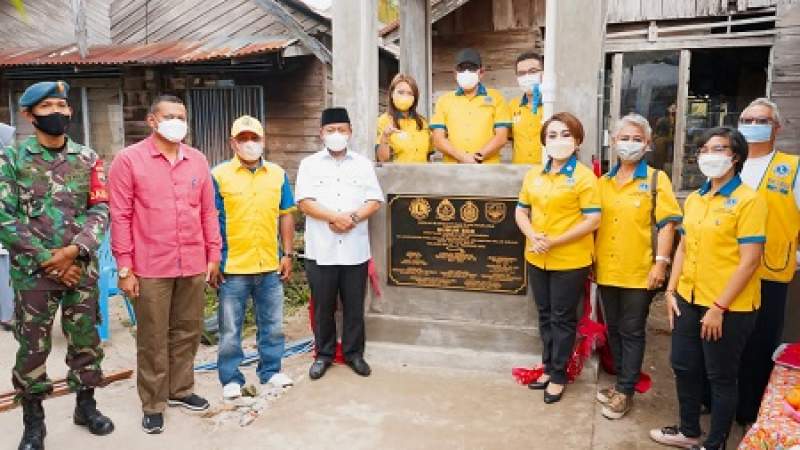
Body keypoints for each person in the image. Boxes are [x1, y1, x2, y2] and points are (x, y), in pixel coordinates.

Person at [0, 81, 114, 449]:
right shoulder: (13, 160)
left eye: (61, 105)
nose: (57, 111)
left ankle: (86, 407)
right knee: (31, 350)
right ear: (28, 115)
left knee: (85, 342)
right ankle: (34, 423)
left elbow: (100, 208)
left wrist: (75, 251)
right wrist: (49, 260)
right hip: (33, 274)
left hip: (80, 270)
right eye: (47, 105)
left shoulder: (87, 157)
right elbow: (4, 217)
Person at [109, 95, 222, 434]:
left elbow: (207, 211)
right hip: (150, 265)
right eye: (169, 115)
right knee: (153, 336)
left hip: (192, 261)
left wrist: (213, 254)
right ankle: (153, 401)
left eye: (181, 116)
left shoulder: (198, 160)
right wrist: (125, 268)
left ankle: (180, 389)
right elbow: (121, 215)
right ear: (152, 121)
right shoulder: (129, 161)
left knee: (188, 330)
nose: (176, 121)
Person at [650, 127, 766, 450]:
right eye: (704, 149)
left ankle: (714, 443)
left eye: (718, 149)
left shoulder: (749, 201)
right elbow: (684, 246)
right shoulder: (698, 198)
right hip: (688, 297)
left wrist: (719, 308)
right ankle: (689, 431)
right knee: (683, 364)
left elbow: (750, 261)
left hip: (729, 307)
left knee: (721, 376)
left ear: (735, 157)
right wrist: (671, 291)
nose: (709, 155)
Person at [594, 113, 682, 419]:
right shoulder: (602, 182)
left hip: (640, 271)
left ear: (646, 145)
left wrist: (661, 264)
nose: (629, 144)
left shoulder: (657, 180)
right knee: (614, 330)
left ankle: (626, 391)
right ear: (613, 142)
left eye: (637, 139)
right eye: (624, 138)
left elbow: (668, 225)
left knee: (632, 331)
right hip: (607, 270)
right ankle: (621, 384)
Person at [515, 112, 601, 404]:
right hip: (537, 256)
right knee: (544, 314)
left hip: (570, 260)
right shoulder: (534, 176)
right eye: (552, 135)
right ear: (544, 142)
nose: (559, 141)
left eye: (566, 135)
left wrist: (554, 241)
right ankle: (548, 366)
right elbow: (520, 210)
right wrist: (532, 235)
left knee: (563, 318)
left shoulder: (584, 178)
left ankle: (559, 375)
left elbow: (592, 220)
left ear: (577, 141)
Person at [211, 115, 296, 399]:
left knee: (272, 325)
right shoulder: (218, 175)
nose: (249, 143)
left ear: (263, 141)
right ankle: (231, 378)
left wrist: (287, 254)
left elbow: (286, 215)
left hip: (270, 265)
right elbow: (209, 220)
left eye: (254, 138)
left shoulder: (277, 174)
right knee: (230, 329)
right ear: (232, 143)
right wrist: (212, 259)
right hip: (232, 267)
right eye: (243, 139)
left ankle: (271, 370)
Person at [295, 107, 383, 380]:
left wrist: (352, 218)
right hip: (321, 250)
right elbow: (304, 202)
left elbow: (374, 200)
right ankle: (324, 354)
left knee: (354, 306)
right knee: (323, 307)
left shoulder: (363, 164)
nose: (336, 135)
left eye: (341, 130)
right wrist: (334, 217)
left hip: (355, 251)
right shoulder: (309, 164)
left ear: (350, 133)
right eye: (331, 130)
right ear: (321, 133)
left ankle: (355, 354)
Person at [735, 98, 800, 427]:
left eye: (761, 119)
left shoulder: (793, 167)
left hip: (770, 270)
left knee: (759, 343)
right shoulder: (731, 163)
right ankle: (718, 402)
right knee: (724, 340)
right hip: (726, 269)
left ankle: (749, 410)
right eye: (746, 119)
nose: (752, 125)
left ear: (777, 127)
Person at [430, 48, 511, 164]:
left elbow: (502, 136)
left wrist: (479, 156)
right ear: (455, 74)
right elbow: (438, 139)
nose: (466, 72)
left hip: (487, 168)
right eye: (462, 68)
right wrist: (462, 157)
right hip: (453, 169)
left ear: (481, 73)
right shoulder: (444, 100)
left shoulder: (496, 98)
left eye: (472, 68)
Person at [376, 74, 432, 163]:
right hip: (397, 175)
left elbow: (428, 155)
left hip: (422, 175)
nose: (405, 97)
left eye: (410, 93)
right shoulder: (383, 120)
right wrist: (385, 136)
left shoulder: (423, 122)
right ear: (391, 94)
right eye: (401, 92)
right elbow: (382, 159)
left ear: (415, 98)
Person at [509, 51, 544, 164]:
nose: (527, 76)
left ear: (543, 73)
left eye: (533, 71)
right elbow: (510, 138)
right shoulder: (512, 106)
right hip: (520, 172)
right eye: (521, 73)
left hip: (547, 172)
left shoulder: (553, 105)